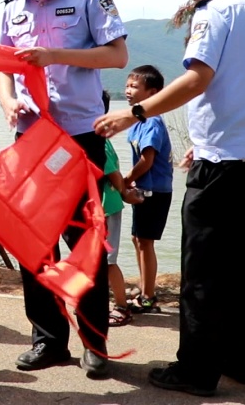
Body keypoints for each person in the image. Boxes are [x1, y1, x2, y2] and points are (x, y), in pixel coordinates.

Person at [95, 0, 245, 396]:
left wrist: (135, 112)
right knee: (242, 265)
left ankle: (197, 368)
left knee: (202, 268)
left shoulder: (215, 12)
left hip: (222, 162)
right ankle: (242, 358)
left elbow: (197, 77)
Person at [0, 0, 128, 378]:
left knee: (85, 241)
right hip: (31, 138)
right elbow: (3, 62)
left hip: (78, 137)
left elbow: (116, 56)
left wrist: (55, 56)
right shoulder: (13, 8)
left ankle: (95, 342)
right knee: (35, 243)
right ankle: (49, 340)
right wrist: (7, 99)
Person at [123, 65, 174, 314]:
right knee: (138, 239)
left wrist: (125, 179)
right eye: (127, 85)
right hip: (145, 188)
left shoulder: (152, 121)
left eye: (134, 86)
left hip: (155, 191)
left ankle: (148, 296)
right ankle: (145, 289)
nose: (128, 90)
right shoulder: (138, 121)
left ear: (152, 92)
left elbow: (147, 160)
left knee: (145, 242)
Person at [99, 94, 144, 328]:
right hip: (98, 208)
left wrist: (125, 192)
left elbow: (113, 173)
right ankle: (95, 303)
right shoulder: (91, 137)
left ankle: (121, 306)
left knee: (107, 260)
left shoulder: (98, 140)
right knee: (96, 260)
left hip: (108, 208)